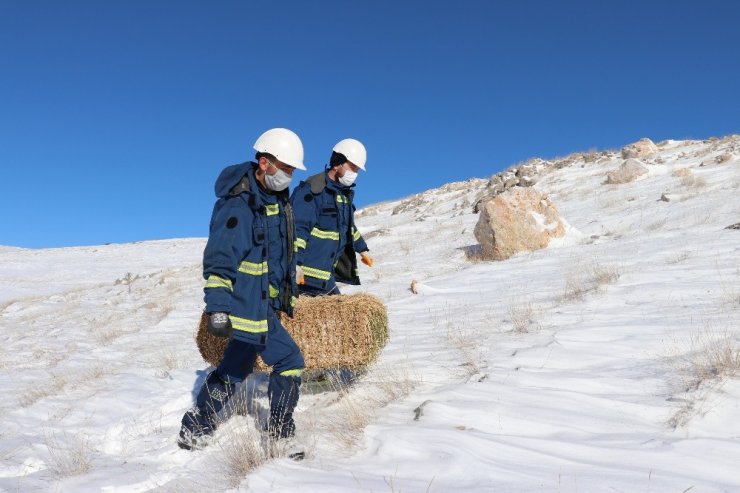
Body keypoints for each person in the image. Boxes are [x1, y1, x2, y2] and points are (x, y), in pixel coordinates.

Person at [177, 128, 305, 455]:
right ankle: (276, 432)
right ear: (265, 164)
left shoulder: (274, 201)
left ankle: (200, 424)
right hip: (244, 306)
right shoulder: (240, 205)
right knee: (281, 361)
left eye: (292, 170)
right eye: (287, 168)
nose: (289, 176)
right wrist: (217, 308)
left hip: (262, 306)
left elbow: (275, 255)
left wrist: (288, 283)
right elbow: (220, 260)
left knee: (240, 368)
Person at [290, 138, 372, 297]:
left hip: (326, 278)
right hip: (305, 278)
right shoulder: (313, 190)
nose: (354, 174)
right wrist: (296, 264)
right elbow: (297, 230)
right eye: (352, 167)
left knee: (344, 317)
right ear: (337, 164)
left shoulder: (343, 196)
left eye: (357, 170)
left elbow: (349, 228)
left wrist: (362, 249)